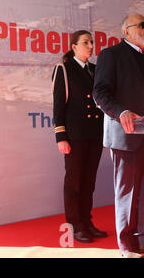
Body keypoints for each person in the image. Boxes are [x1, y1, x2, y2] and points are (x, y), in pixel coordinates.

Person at [93, 14, 144, 258]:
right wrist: (121, 111)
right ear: (126, 31)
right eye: (142, 25)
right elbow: (100, 93)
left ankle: (143, 241)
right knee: (127, 193)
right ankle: (126, 247)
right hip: (126, 134)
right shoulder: (111, 55)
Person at [52, 30, 107, 243]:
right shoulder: (64, 69)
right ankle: (75, 225)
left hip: (94, 134)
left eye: (92, 42)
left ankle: (87, 222)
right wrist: (61, 137)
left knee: (89, 182)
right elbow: (58, 106)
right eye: (86, 42)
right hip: (75, 136)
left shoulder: (95, 70)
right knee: (74, 182)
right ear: (74, 46)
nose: (91, 46)